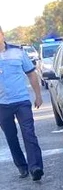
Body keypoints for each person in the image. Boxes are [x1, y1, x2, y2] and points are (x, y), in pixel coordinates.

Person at [0, 26, 44, 180]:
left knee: (29, 134)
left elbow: (31, 73)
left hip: (21, 101)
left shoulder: (18, 52)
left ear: (2, 34)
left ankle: (35, 167)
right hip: (2, 105)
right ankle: (22, 166)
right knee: (11, 137)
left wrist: (38, 95)